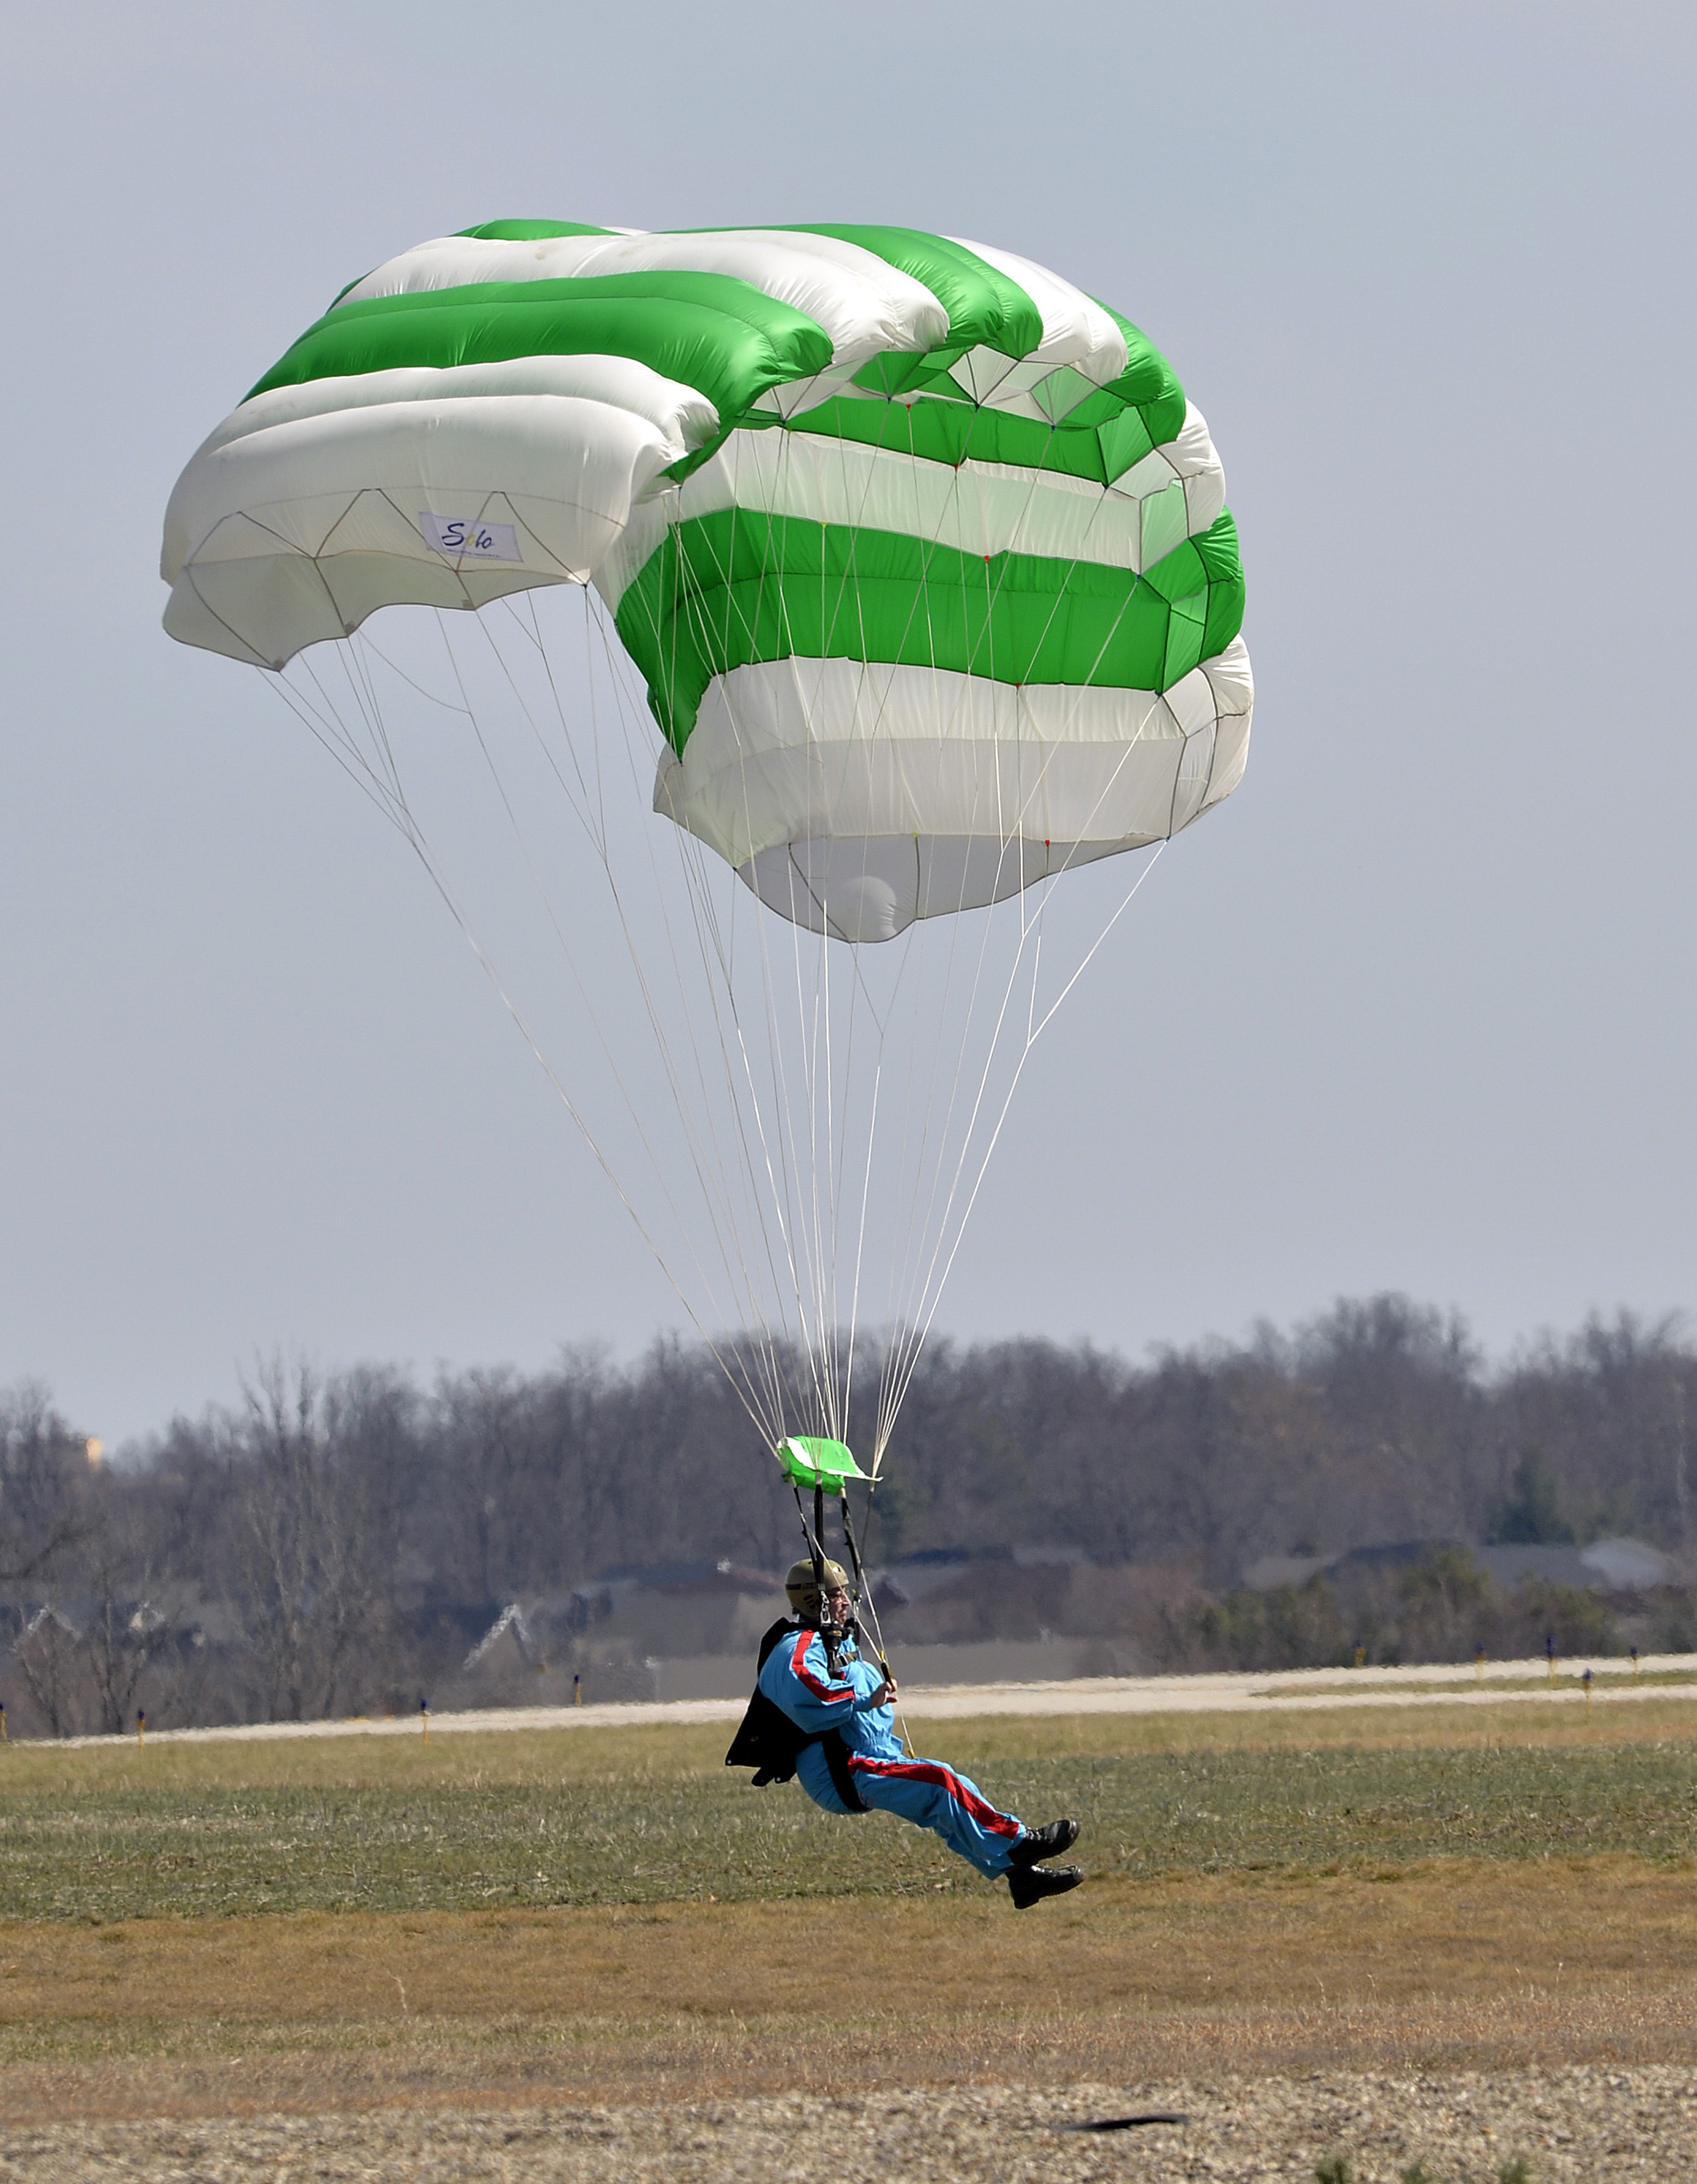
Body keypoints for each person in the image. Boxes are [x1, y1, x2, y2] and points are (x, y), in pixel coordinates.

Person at [729, 1557, 1083, 1908]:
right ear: (815, 1600)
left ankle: (1022, 1878)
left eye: (845, 1593)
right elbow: (802, 1691)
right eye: (837, 1595)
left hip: (873, 1758)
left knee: (953, 1793)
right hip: (840, 1769)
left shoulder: (839, 1642)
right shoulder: (795, 1647)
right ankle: (1019, 1841)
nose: (846, 1601)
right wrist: (862, 1698)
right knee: (939, 1781)